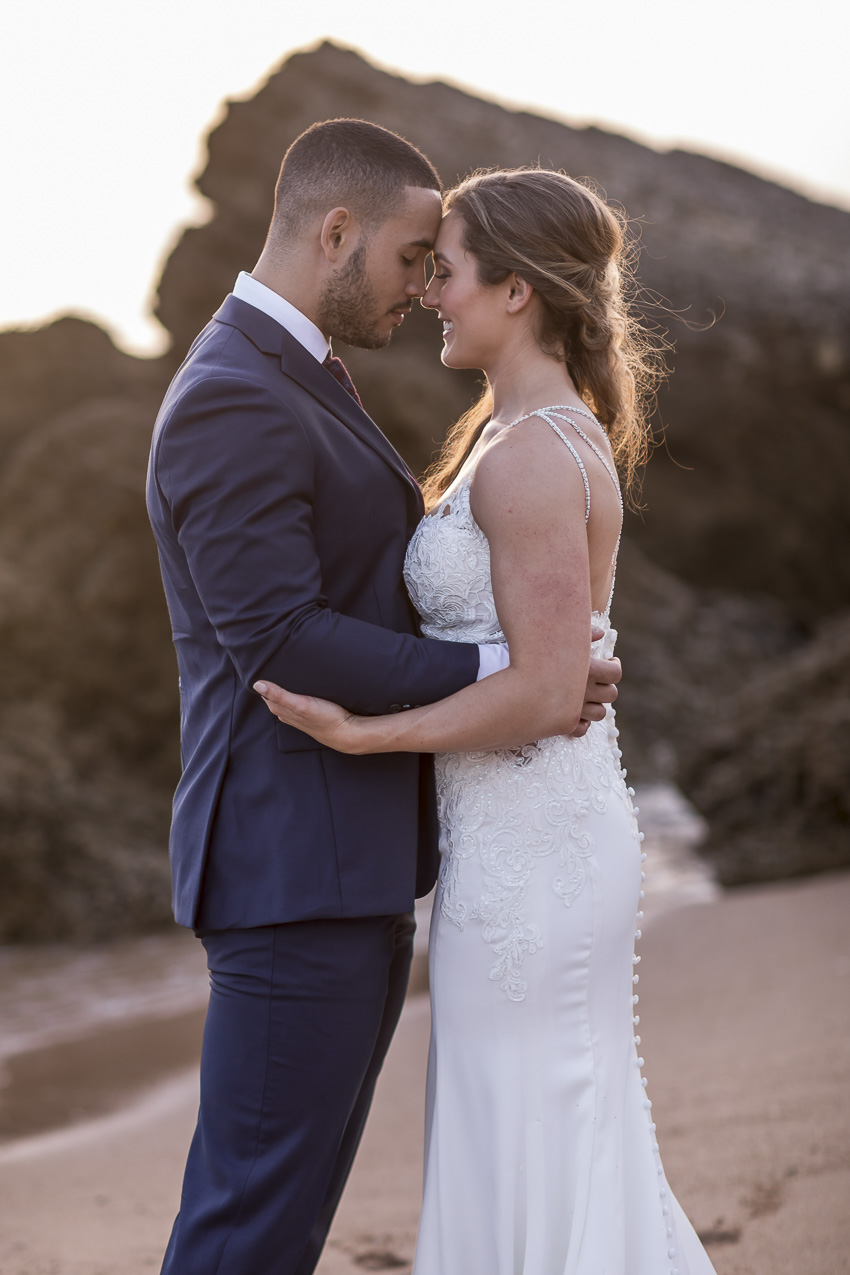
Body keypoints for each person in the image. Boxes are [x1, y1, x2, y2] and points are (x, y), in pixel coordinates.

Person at [146, 122, 621, 1275]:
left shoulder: (298, 374)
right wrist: (502, 677)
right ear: (337, 231)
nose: (422, 286)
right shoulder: (230, 394)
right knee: (249, 1222)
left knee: (283, 1218)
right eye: (414, 256)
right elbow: (278, 634)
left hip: (341, 863)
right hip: (287, 869)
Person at [256, 169, 718, 1274]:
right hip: (511, 840)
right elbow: (549, 665)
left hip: (535, 856)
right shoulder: (506, 437)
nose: (428, 293)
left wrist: (368, 736)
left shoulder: (529, 459)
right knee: (526, 1132)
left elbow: (551, 692)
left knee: (539, 1135)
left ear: (514, 291)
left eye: (447, 270)